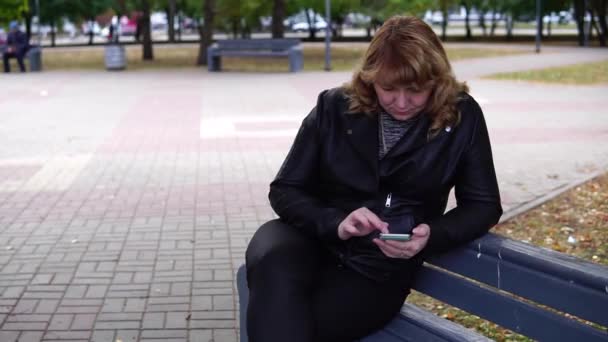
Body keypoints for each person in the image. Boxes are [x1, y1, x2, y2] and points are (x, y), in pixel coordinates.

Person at [245, 15, 502, 342]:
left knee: (287, 323)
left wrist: (431, 235)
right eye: (389, 88)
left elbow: (483, 205)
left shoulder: (462, 116)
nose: (402, 102)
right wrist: (337, 221)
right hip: (310, 234)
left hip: (380, 263)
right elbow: (285, 189)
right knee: (272, 259)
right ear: (370, 80)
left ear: (436, 82)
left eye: (415, 90)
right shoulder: (333, 106)